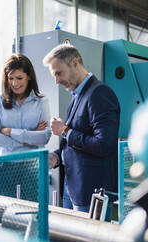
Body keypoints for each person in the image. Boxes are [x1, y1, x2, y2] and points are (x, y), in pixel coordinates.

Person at [43, 44, 120, 221]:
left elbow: (104, 144)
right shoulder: (77, 97)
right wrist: (57, 156)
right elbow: (76, 140)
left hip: (92, 192)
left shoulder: (99, 93)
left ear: (74, 63)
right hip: (73, 188)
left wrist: (65, 131)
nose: (56, 81)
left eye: (58, 73)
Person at [0, 54, 51, 200]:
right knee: (4, 213)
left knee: (32, 212)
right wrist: (30, 137)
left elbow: (44, 137)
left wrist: (9, 132)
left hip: (32, 166)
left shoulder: (41, 102)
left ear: (29, 77)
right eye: (11, 78)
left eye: (19, 78)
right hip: (4, 166)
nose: (15, 83)